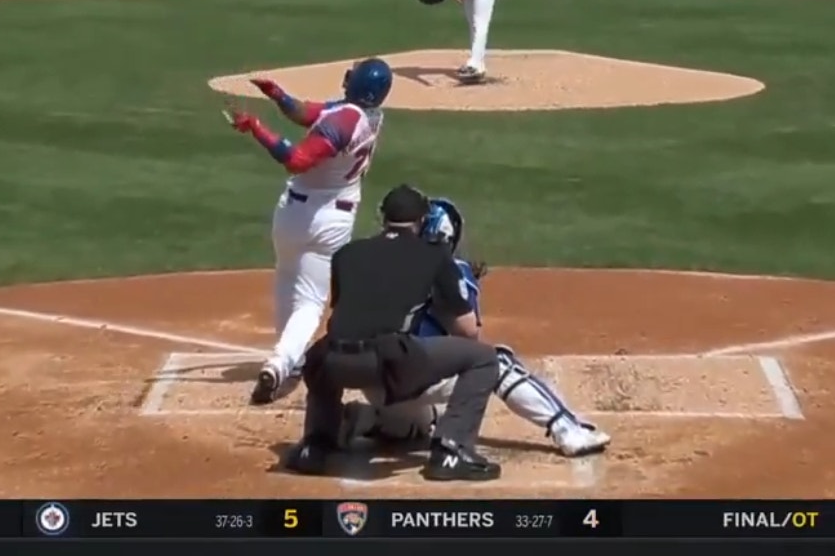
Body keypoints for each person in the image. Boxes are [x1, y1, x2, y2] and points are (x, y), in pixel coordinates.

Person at [339, 196, 612, 457]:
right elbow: (468, 334)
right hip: (408, 370)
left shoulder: (368, 259)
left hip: (368, 377)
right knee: (495, 361)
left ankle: (365, 419)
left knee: (420, 426)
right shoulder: (445, 266)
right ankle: (567, 428)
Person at [286, 184, 502, 482]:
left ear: (382, 218)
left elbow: (346, 313)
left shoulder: (346, 254)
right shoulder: (435, 255)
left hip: (331, 363)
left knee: (326, 348)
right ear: (423, 221)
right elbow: (467, 331)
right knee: (484, 358)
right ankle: (452, 450)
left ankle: (315, 445)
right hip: (387, 364)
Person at [223, 59, 392, 406]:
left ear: (357, 83)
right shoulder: (361, 114)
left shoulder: (344, 120)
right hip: (331, 218)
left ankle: (283, 361)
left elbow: (297, 160)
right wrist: (276, 93)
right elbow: (305, 112)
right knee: (306, 295)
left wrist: (257, 128)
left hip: (297, 215)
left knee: (292, 286)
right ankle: (287, 361)